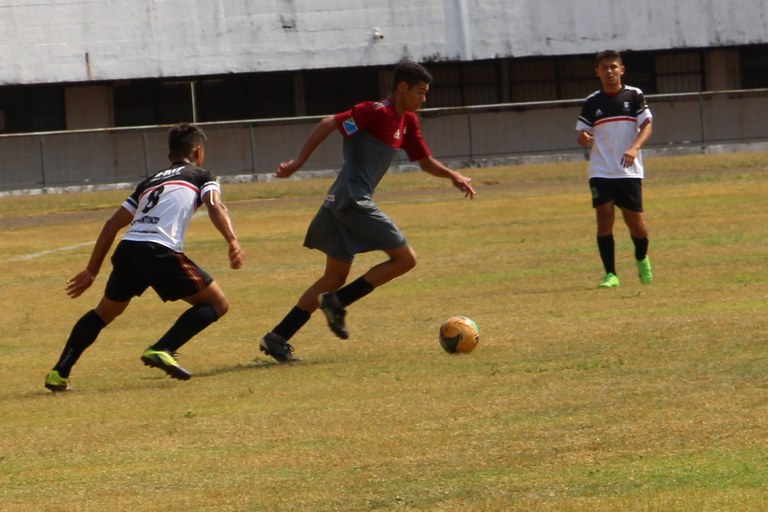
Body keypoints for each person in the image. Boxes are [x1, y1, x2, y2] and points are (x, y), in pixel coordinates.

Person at [258, 59, 476, 363]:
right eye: (420, 92)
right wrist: (298, 163)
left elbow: (424, 161)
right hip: (353, 201)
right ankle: (337, 303)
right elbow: (328, 123)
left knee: (334, 276)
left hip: (338, 202)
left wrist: (453, 175)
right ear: (402, 88)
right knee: (405, 259)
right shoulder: (376, 112)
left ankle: (277, 337)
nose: (423, 99)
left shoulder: (407, 121)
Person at [44, 123, 245, 391]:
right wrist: (232, 240)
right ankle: (163, 348)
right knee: (217, 304)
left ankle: (59, 372)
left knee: (104, 312)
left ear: (169, 155)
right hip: (159, 250)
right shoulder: (201, 175)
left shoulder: (150, 182)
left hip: (129, 249)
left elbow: (112, 224)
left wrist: (91, 270)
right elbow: (215, 204)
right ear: (198, 150)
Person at [576, 49, 654, 289]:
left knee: (637, 226)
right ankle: (611, 274)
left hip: (629, 170)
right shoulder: (592, 102)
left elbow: (647, 125)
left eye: (613, 66)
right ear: (597, 72)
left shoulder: (634, 95)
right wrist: (585, 138)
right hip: (601, 170)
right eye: (605, 67)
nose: (609, 71)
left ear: (621, 69)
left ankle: (641, 257)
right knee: (604, 220)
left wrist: (634, 148)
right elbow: (581, 133)